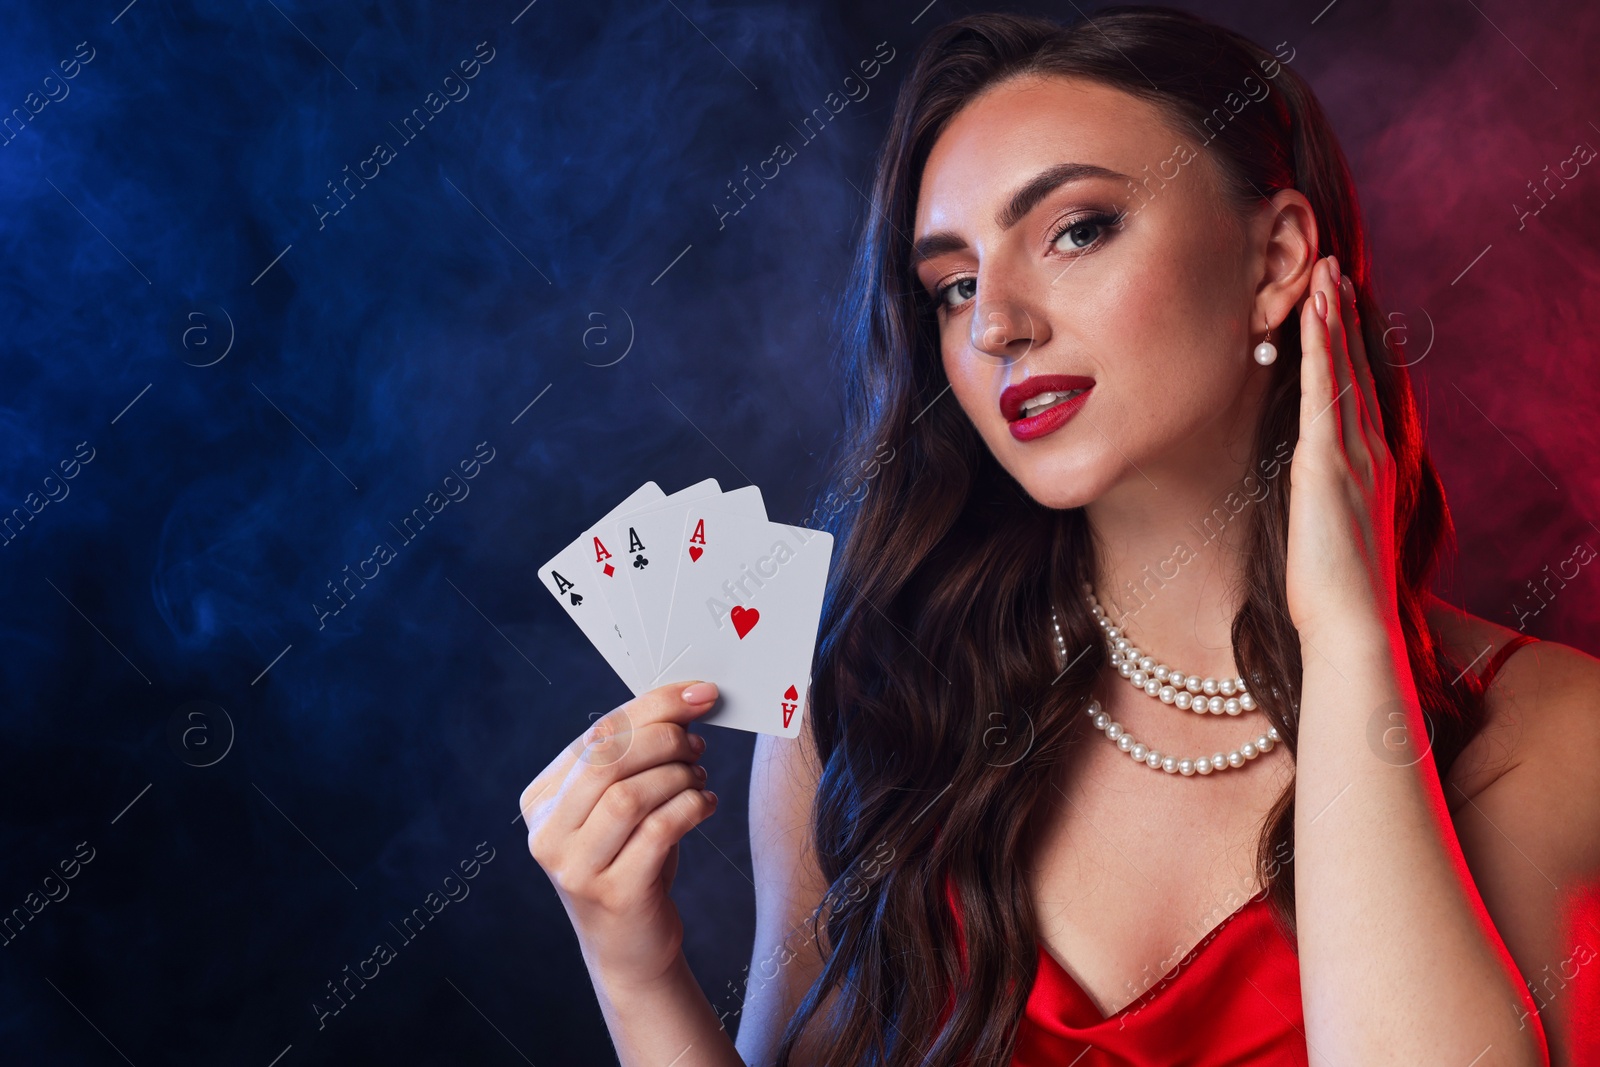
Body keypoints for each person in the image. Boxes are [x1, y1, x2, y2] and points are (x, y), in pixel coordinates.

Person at [519, 7, 1600, 1065]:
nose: (996, 323)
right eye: (949, 286)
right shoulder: (859, 713)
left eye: (1075, 230)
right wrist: (634, 964)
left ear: (1274, 258)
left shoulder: (1554, 733)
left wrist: (1348, 633)